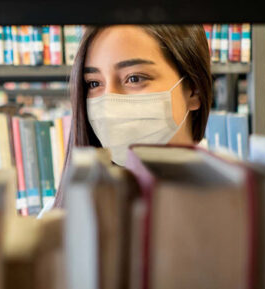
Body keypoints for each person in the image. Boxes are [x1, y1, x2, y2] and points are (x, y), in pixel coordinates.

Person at [51, 25, 212, 210]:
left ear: (194, 91)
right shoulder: (62, 213)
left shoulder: (233, 209)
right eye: (94, 83)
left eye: (134, 78)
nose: (108, 104)